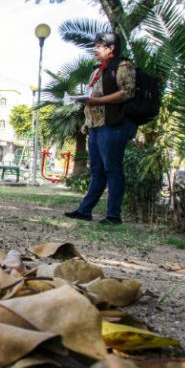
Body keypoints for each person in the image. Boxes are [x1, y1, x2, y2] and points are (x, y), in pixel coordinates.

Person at [64, 32, 138, 225]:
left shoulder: (123, 66)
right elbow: (92, 98)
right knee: (97, 170)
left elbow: (127, 92)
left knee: (112, 169)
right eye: (94, 46)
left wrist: (96, 101)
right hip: (95, 127)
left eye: (99, 46)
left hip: (113, 125)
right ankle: (84, 211)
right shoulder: (98, 71)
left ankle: (113, 216)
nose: (94, 49)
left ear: (110, 48)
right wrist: (87, 122)